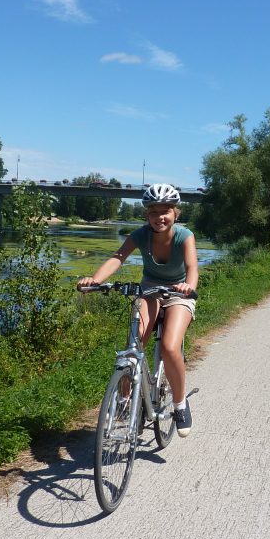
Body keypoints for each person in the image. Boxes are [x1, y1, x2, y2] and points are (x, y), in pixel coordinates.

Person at [76, 183, 199, 437]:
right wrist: (95, 279)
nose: (159, 217)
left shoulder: (184, 236)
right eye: (154, 212)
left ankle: (179, 405)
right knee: (133, 345)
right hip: (150, 290)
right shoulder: (141, 235)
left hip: (178, 293)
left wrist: (188, 286)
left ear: (176, 213)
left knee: (169, 347)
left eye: (165, 211)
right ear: (147, 215)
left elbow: (192, 267)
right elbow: (118, 257)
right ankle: (124, 399)